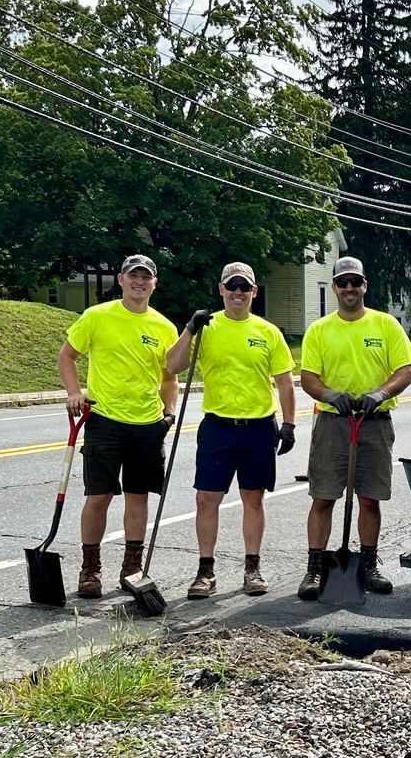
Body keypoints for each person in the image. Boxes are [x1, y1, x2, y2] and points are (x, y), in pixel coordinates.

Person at [164, 261, 296, 599]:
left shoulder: (268, 332)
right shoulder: (207, 328)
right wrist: (190, 329)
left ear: (254, 291)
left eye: (244, 287)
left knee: (253, 498)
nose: (238, 293)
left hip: (258, 428)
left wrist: (289, 424)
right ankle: (205, 571)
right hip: (218, 427)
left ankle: (252, 568)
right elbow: (173, 365)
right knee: (207, 499)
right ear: (221, 290)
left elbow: (285, 383)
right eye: (231, 287)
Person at [57, 253, 179, 599]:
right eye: (133, 276)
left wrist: (168, 413)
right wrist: (74, 391)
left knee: (138, 498)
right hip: (105, 420)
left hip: (147, 424)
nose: (139, 282)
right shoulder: (96, 317)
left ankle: (132, 569)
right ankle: (90, 569)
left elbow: (169, 377)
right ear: (121, 280)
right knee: (99, 496)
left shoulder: (163, 327)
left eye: (146, 277)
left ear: (154, 283)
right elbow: (67, 356)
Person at [296, 255, 411, 599]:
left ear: (365, 285)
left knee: (370, 498)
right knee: (323, 497)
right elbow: (308, 379)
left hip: (374, 424)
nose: (349, 288)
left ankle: (368, 564)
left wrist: (381, 393)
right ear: (334, 287)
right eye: (342, 282)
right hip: (333, 424)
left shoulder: (386, 325)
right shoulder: (320, 329)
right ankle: (315, 569)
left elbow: (405, 371)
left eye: (355, 282)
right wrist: (331, 395)